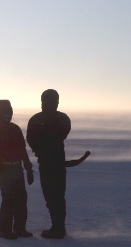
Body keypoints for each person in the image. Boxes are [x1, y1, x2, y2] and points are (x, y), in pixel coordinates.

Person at [26, 89, 89, 239]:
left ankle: (58, 228)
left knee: (53, 195)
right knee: (56, 196)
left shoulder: (42, 119)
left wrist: (40, 149)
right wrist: (41, 149)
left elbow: (32, 138)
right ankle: (59, 226)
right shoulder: (59, 118)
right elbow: (32, 138)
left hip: (50, 161)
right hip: (54, 160)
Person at [0, 99, 35, 240]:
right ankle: (5, 230)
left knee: (21, 198)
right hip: (2, 168)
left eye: (8, 112)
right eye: (3, 113)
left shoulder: (15, 129)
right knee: (8, 199)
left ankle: (19, 228)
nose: (6, 116)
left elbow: (22, 150)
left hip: (16, 168)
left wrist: (28, 168)